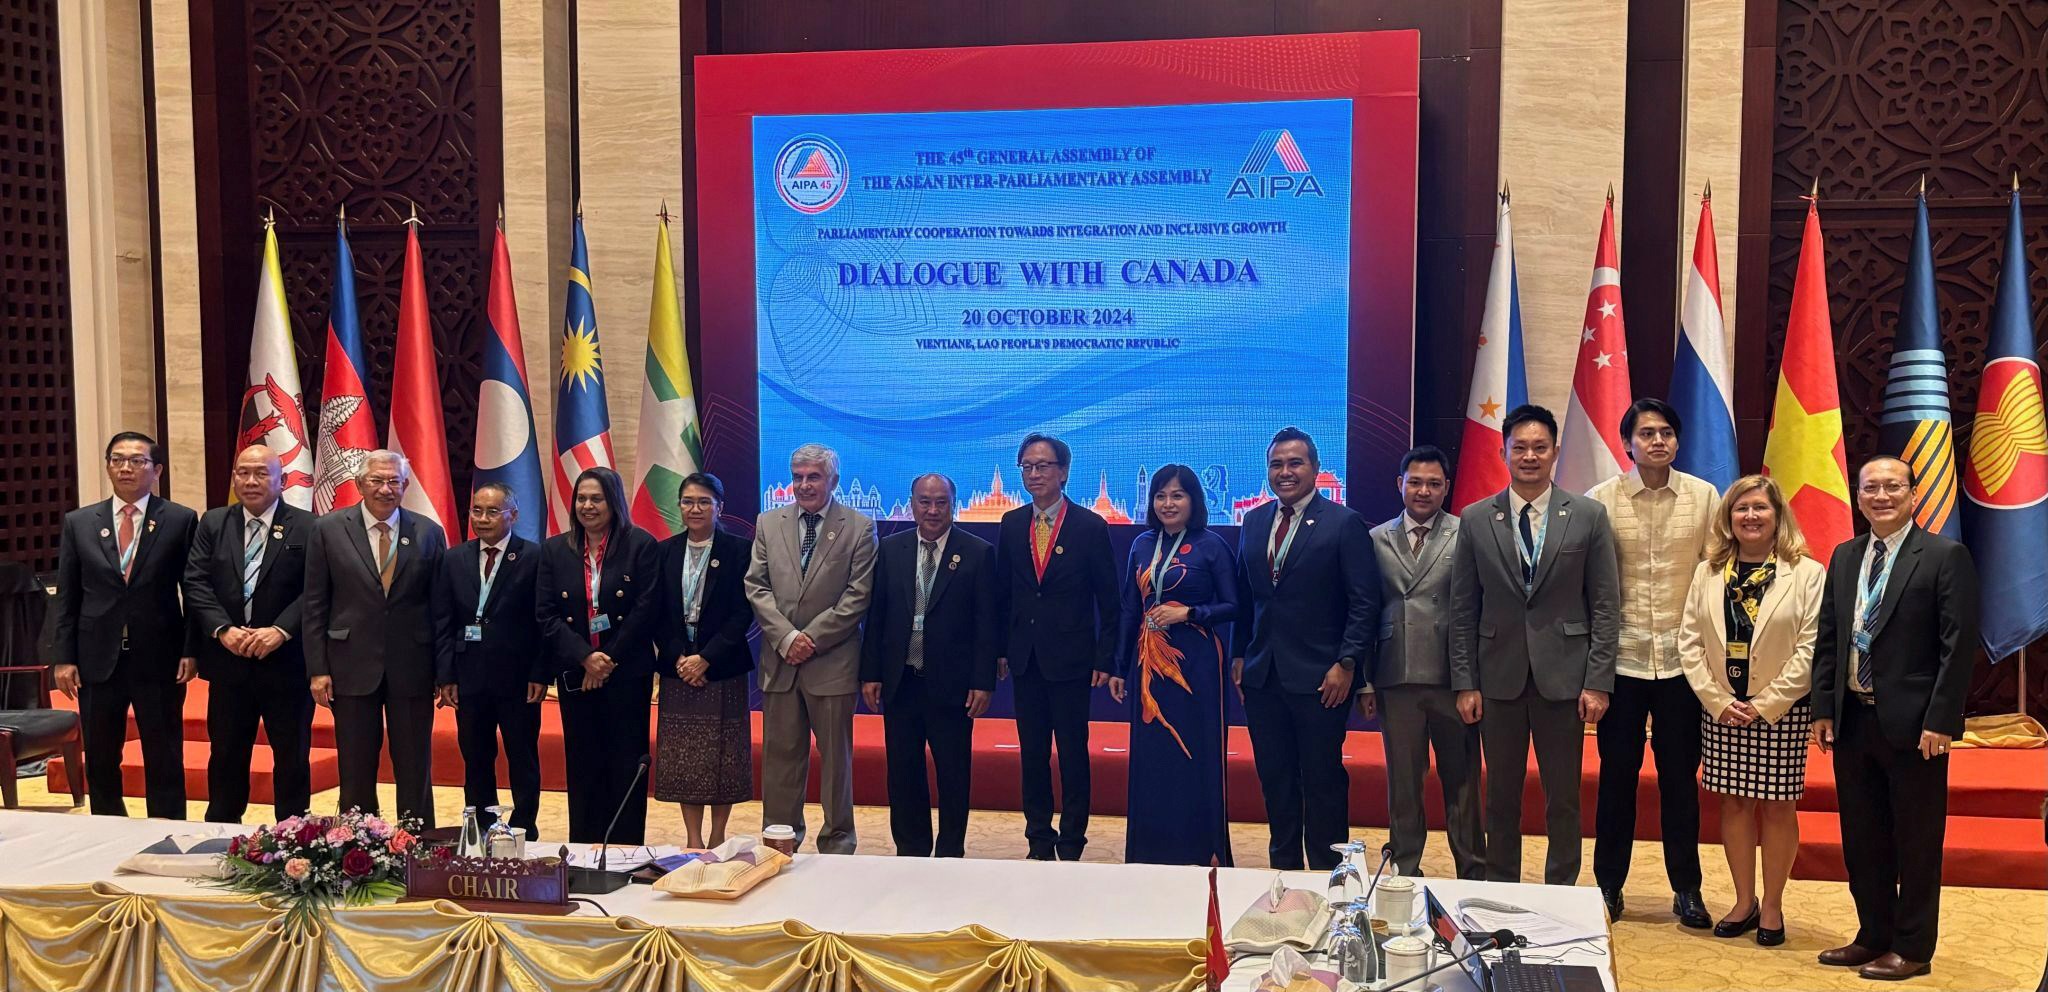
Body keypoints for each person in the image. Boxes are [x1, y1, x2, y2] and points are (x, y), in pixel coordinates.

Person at [1812, 456, 1978, 981]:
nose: (1881, 496)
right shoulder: (1844, 556)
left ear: (1912, 494)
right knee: (1862, 839)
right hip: (1853, 720)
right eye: (1870, 488)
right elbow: (1830, 639)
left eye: (1892, 487)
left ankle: (1913, 947)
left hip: (1916, 727)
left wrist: (1941, 719)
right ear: (1857, 497)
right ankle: (1873, 935)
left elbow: (1959, 646)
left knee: (1916, 841)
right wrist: (1822, 707)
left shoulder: (1944, 556)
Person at [1450, 404, 1619, 885]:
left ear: (1555, 452)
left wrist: (1598, 682)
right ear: (1504, 452)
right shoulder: (1477, 518)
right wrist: (1465, 682)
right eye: (1519, 447)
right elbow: (1463, 608)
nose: (1529, 456)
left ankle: (1560, 887)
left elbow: (1605, 604)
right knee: (1499, 795)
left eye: (1539, 447)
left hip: (1565, 680)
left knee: (1562, 795)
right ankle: (1503, 886)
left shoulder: (1587, 515)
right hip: (1496, 678)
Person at [1583, 398, 1719, 925]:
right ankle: (1608, 887)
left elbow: (1715, 573)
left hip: (1684, 665)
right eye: (1646, 433)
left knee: (1680, 782)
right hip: (1621, 662)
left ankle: (1687, 889)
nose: (1657, 441)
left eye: (1666, 432)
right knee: (1616, 779)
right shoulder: (1600, 501)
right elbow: (1592, 586)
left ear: (1678, 441)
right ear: (1627, 443)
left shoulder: (1705, 497)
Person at [1677, 474, 1823, 947]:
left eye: (1761, 508)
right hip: (1723, 712)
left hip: (1780, 713)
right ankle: (1744, 900)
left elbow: (1810, 648)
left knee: (1778, 807)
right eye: (1741, 509)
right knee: (1735, 804)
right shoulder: (1708, 571)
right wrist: (1718, 702)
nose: (1751, 516)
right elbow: (1690, 642)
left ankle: (1774, 904)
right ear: (1728, 518)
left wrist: (1766, 704)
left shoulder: (1807, 573)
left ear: (1778, 515)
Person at [1234, 426, 1379, 871]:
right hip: (1263, 677)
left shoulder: (1343, 522)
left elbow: (1365, 601)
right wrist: (1241, 655)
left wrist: (1348, 663)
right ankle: (1283, 874)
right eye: (1276, 464)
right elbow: (1248, 597)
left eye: (1295, 463)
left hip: (1322, 679)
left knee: (1322, 783)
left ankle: (1329, 877)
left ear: (1315, 468)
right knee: (1275, 782)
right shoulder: (1256, 521)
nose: (1285, 472)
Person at [51, 431, 198, 818]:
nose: (126, 468)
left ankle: (166, 833)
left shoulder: (180, 520)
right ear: (107, 467)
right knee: (100, 756)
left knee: (164, 752)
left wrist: (190, 649)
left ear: (157, 470)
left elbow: (193, 591)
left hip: (160, 657)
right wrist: (63, 657)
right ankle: (107, 831)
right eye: (118, 459)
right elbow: (68, 597)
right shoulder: (80, 522)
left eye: (137, 461)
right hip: (97, 657)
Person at [993, 432, 1119, 861]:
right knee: (1032, 755)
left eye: (1043, 465)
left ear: (1063, 472)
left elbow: (1109, 600)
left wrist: (1106, 657)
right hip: (1026, 659)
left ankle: (1072, 842)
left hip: (1072, 660)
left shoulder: (1090, 526)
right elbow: (1004, 594)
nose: (1034, 473)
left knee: (1071, 754)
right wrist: (1001, 649)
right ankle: (1039, 840)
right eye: (1026, 466)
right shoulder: (1011, 524)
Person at [746, 444, 877, 854]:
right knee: (780, 760)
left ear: (833, 481)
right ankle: (779, 844)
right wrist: (787, 638)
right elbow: (757, 585)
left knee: (836, 763)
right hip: (781, 661)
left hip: (832, 664)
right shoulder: (768, 523)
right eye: (798, 476)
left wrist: (811, 639)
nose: (804, 485)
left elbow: (857, 596)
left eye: (814, 477)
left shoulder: (858, 526)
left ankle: (838, 844)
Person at [304, 450, 446, 827]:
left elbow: (440, 608)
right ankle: (358, 845)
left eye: (394, 482)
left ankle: (418, 845)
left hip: (413, 665)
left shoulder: (429, 532)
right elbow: (315, 604)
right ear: (359, 485)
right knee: (355, 763)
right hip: (350, 664)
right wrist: (318, 669)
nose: (385, 489)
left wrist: (443, 671)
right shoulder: (328, 529)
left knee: (415, 765)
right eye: (377, 481)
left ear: (406, 486)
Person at [860, 474, 997, 858]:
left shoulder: (977, 552)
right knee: (903, 773)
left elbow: (988, 624)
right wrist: (870, 672)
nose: (932, 510)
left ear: (953, 503)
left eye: (941, 502)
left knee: (953, 774)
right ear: (912, 503)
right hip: (901, 681)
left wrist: (982, 681)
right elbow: (878, 615)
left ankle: (951, 851)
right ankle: (912, 851)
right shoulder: (891, 549)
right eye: (924, 502)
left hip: (952, 686)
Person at [1367, 445, 1483, 879]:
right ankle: (1405, 869)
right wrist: (1364, 682)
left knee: (1463, 782)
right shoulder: (1375, 538)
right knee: (1403, 783)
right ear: (1400, 484)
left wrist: (1472, 679)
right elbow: (1364, 610)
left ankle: (1472, 870)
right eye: (1415, 482)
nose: (1423, 491)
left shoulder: (1466, 532)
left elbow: (1477, 607)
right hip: (1396, 674)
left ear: (1447, 488)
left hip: (1453, 677)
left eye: (1434, 483)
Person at [184, 444, 314, 823]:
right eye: (243, 472)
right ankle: (221, 829)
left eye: (261, 473)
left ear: (282, 480)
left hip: (286, 663)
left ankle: (293, 833)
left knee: (291, 754)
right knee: (225, 752)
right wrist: (222, 630)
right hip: (229, 662)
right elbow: (196, 582)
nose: (251, 481)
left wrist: (281, 630)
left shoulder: (308, 526)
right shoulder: (213, 522)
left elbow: (317, 589)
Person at [1118, 464, 1238, 866]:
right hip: (1148, 662)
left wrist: (1190, 613)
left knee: (1196, 752)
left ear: (1193, 500)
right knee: (1153, 755)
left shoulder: (1212, 545)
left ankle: (1204, 849)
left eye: (1178, 495)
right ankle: (1148, 851)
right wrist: (1119, 667)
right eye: (1161, 496)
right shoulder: (1140, 545)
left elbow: (1233, 605)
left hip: (1198, 663)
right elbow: (1129, 609)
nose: (1168, 503)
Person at [537, 466, 660, 845]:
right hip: (576, 675)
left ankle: (625, 849)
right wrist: (585, 658)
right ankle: (584, 848)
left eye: (597, 498)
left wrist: (605, 659)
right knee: (584, 763)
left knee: (626, 763)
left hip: (626, 673)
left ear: (614, 502)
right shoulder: (555, 549)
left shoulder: (641, 544)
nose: (587, 506)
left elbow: (646, 609)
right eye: (581, 499)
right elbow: (545, 614)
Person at [431, 482, 546, 839]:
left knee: (522, 755)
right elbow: (443, 620)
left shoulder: (534, 557)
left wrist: (540, 672)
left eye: (492, 511)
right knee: (476, 756)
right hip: (470, 676)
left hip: (518, 678)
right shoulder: (454, 558)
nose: (482, 518)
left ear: (513, 515)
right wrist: (445, 675)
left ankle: (525, 824)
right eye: (477, 511)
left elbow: (544, 622)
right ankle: (481, 826)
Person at [653, 473, 756, 849]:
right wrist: (680, 657)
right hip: (678, 668)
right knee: (686, 758)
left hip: (722, 667)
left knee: (724, 758)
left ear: (720, 507)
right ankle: (693, 839)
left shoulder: (739, 550)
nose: (695, 509)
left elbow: (742, 613)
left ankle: (717, 834)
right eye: (688, 501)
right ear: (679, 506)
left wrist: (705, 659)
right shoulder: (664, 551)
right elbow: (656, 612)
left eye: (704, 502)